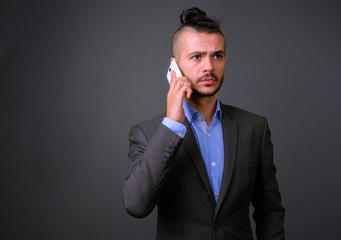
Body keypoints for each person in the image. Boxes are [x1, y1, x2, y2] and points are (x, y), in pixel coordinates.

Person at [122, 7, 285, 240]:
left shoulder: (254, 128)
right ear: (174, 67)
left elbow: (270, 211)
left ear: (225, 60)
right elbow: (136, 205)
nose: (209, 67)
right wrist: (171, 125)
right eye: (197, 57)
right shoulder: (147, 134)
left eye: (217, 56)